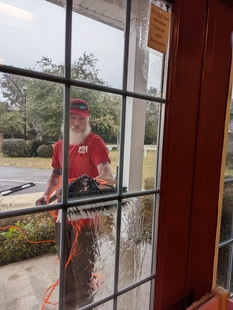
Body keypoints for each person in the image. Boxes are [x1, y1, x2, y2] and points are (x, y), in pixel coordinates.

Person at [36, 98, 114, 310]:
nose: (77, 123)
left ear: (87, 121)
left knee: (83, 267)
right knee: (65, 263)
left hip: (86, 219)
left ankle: (85, 306)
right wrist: (45, 195)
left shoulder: (94, 143)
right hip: (62, 215)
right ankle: (68, 305)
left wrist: (82, 187)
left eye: (81, 119)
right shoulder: (59, 146)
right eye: (72, 117)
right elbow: (54, 176)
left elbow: (107, 177)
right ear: (66, 119)